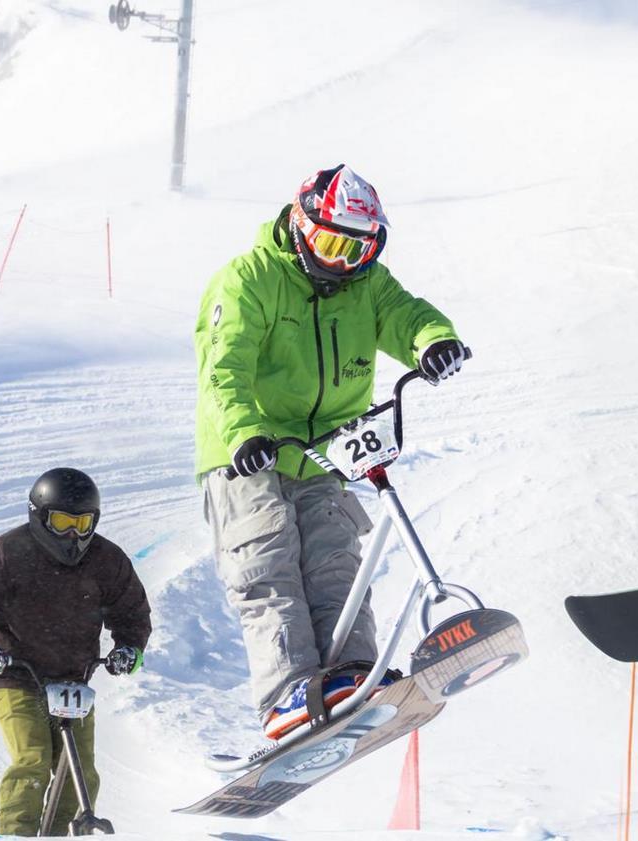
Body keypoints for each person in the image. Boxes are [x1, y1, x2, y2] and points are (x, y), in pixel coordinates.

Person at [194, 165, 467, 740]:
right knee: (267, 569)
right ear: (301, 225)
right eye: (332, 245)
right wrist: (245, 432)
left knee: (335, 561)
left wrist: (433, 340)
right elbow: (225, 370)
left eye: (358, 250)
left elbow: (405, 314)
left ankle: (351, 674)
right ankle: (287, 693)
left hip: (323, 452)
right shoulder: (248, 279)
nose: (342, 263)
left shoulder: (364, 282)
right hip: (251, 451)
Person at [0, 467, 151, 837]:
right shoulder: (8, 552)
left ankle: (59, 834)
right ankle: (16, 833)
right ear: (38, 517)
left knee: (80, 769)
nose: (73, 534)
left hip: (73, 676)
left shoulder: (106, 560)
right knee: (33, 760)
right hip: (15, 672)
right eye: (63, 522)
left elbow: (132, 613)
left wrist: (129, 649)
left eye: (83, 523)